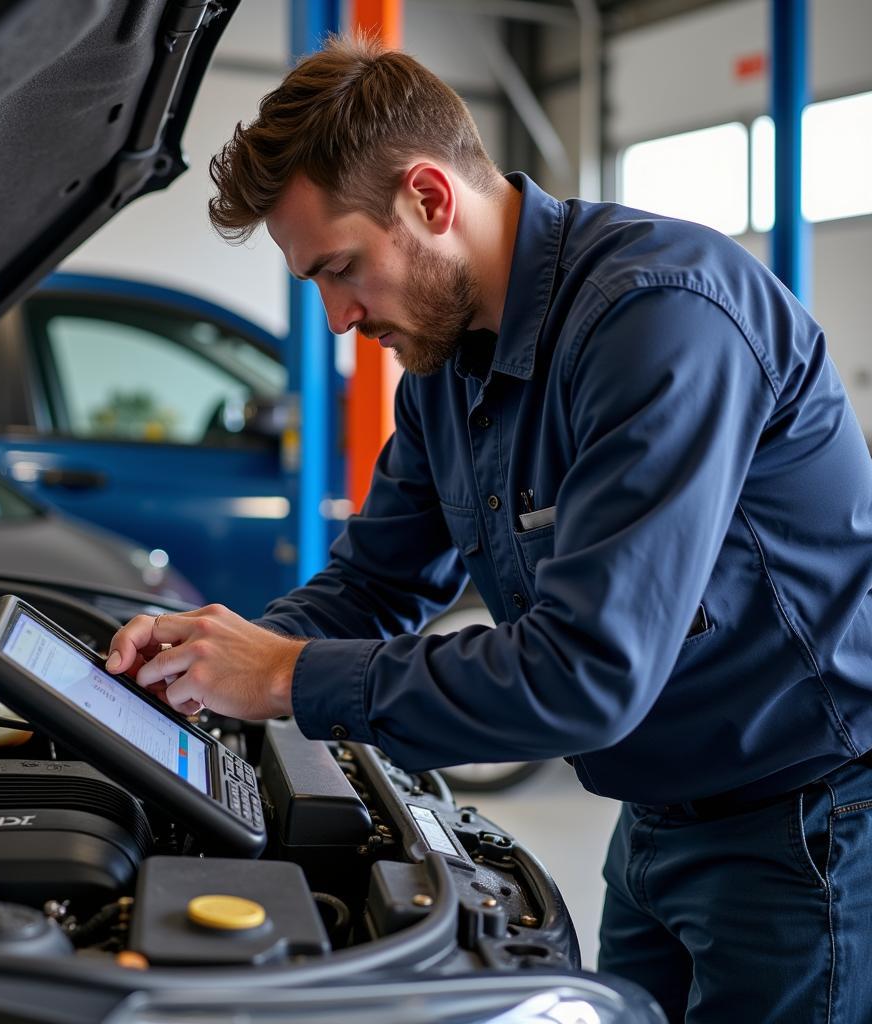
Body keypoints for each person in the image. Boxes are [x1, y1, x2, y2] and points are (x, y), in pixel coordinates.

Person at [106, 35, 872, 1023]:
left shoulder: (658, 322)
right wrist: (213, 660)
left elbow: (585, 671)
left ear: (428, 197)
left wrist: (289, 678)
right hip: (657, 810)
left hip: (803, 821)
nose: (338, 317)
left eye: (341, 269)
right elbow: (377, 581)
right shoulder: (446, 363)